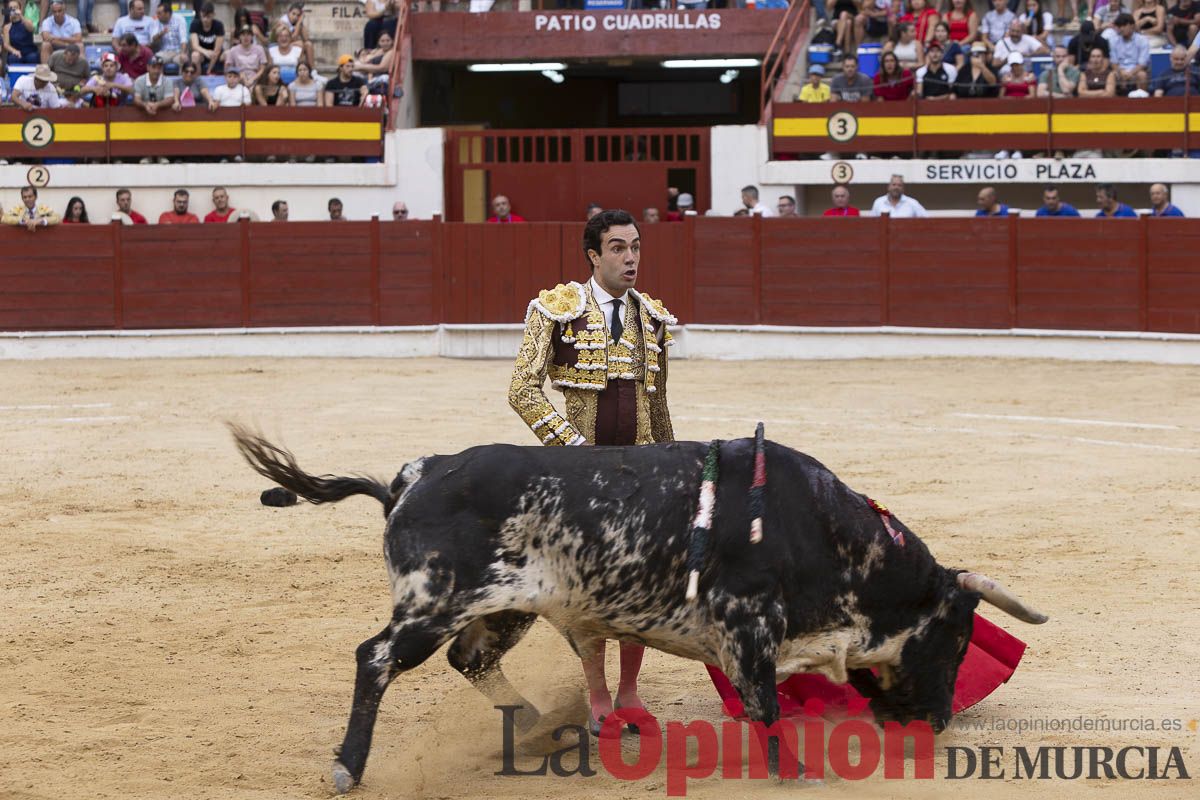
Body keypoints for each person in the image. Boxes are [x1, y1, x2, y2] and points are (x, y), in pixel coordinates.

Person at [507, 208, 676, 736]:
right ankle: (597, 692)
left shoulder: (652, 317)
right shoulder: (555, 309)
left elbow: (659, 401)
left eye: (636, 247)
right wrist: (573, 447)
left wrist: (674, 468)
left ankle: (628, 691)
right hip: (582, 478)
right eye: (619, 248)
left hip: (642, 475)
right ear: (594, 255)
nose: (631, 258)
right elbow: (522, 390)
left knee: (642, 583)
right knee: (590, 588)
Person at [1108, 13, 1150, 94]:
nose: (1121, 28)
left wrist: (1130, 74)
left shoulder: (1142, 40)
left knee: (1142, 75)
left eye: (1124, 25)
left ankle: (1142, 103)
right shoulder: (1113, 41)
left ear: (1132, 26)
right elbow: (1114, 63)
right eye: (1120, 26)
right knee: (1111, 75)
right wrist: (1122, 73)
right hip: (1120, 72)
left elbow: (1142, 64)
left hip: (1136, 71)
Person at [38, 0, 81, 65]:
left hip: (70, 48)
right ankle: (46, 70)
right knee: (45, 45)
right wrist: (66, 43)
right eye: (54, 12)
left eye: (59, 11)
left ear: (64, 10)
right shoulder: (47, 21)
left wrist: (56, 38)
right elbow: (46, 38)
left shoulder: (74, 21)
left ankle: (81, 72)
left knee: (80, 45)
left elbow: (78, 39)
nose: (57, 14)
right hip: (54, 47)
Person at [149, 3, 190, 69]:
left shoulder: (180, 19)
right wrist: (161, 33)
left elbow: (183, 38)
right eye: (157, 13)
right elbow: (153, 39)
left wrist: (183, 53)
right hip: (164, 52)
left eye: (159, 13)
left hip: (179, 51)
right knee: (155, 60)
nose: (157, 15)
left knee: (184, 60)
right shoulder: (156, 21)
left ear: (167, 13)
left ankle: (182, 79)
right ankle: (160, 79)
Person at [276, 2, 315, 69]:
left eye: (298, 15)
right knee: (300, 44)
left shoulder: (296, 22)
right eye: (293, 14)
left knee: (308, 44)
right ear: (288, 12)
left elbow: (306, 38)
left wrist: (300, 23)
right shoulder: (283, 22)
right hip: (280, 45)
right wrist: (299, 22)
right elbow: (293, 38)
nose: (295, 17)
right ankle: (300, 68)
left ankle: (313, 71)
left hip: (289, 44)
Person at [189, 2, 225, 75]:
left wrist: (209, 70)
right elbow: (195, 46)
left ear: (213, 15)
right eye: (203, 16)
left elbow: (217, 50)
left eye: (208, 17)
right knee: (195, 55)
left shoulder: (218, 25)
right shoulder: (195, 24)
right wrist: (205, 52)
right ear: (200, 14)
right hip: (202, 53)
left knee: (227, 54)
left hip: (215, 54)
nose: (205, 19)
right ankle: (197, 77)